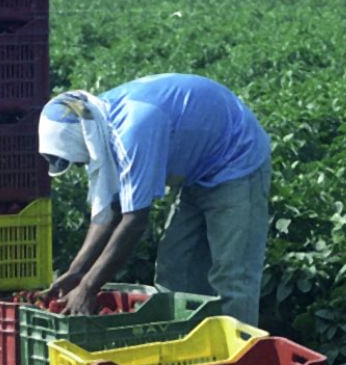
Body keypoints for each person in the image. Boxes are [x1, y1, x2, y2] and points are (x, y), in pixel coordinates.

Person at [37, 73, 272, 325]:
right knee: (176, 270)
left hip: (236, 160)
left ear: (83, 142)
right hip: (196, 169)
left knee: (233, 275)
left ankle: (240, 355)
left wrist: (88, 287)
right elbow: (111, 209)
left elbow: (134, 220)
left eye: (78, 160)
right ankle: (187, 346)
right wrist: (76, 272)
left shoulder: (132, 130)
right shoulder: (98, 124)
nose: (81, 166)